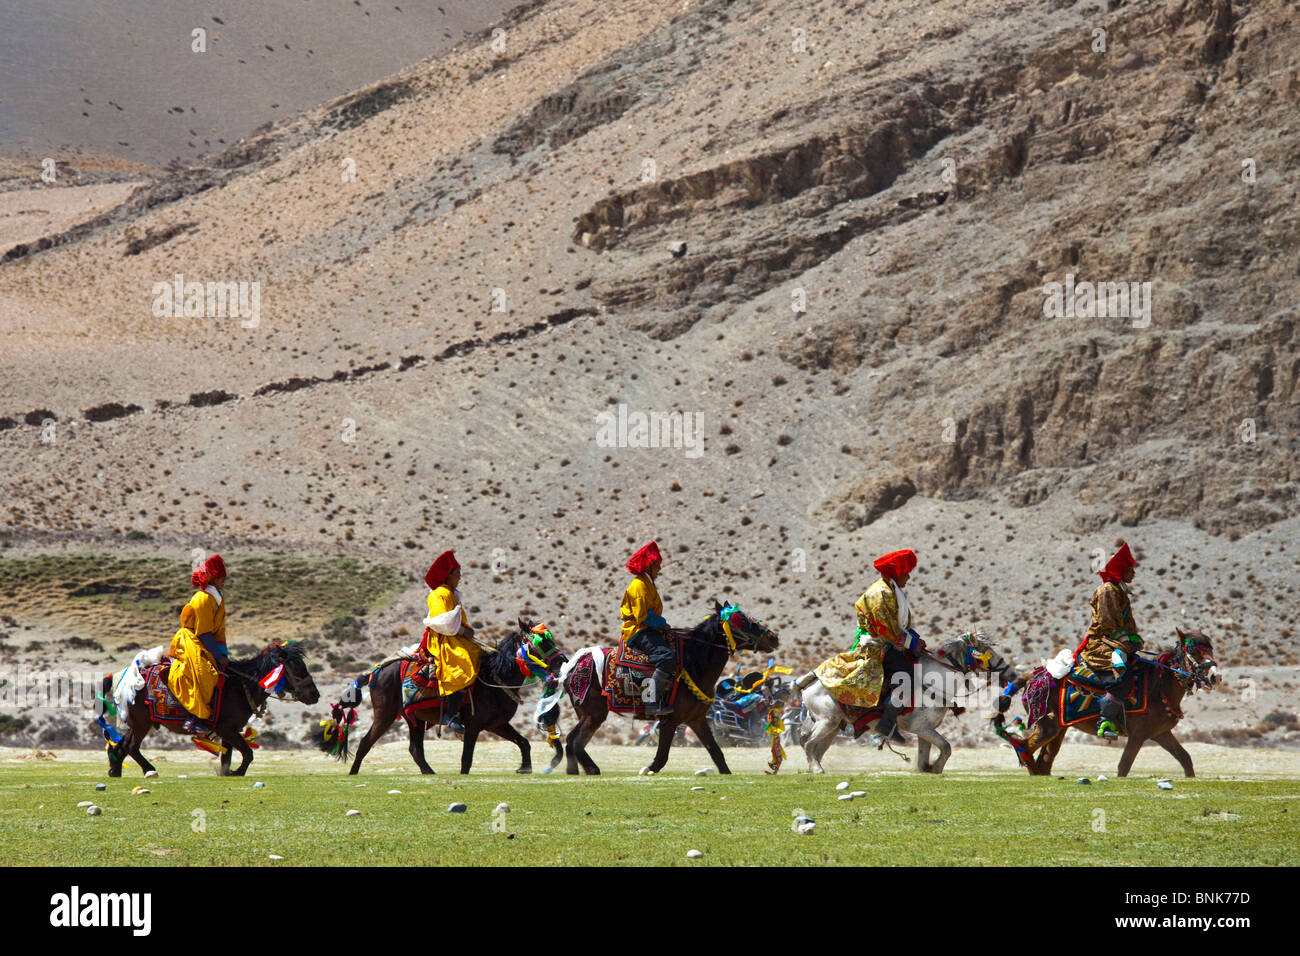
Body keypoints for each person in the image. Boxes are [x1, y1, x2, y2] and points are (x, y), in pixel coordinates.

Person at [853, 549, 926, 746]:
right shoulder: (882, 594)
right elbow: (885, 629)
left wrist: (916, 640)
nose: (909, 577)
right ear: (898, 572)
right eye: (906, 573)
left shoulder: (891, 589)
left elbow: (899, 625)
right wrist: (912, 643)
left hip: (892, 643)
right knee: (907, 678)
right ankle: (886, 723)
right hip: (880, 646)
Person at [1080, 541, 1143, 740]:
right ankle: (1104, 722)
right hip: (1102, 644)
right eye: (1130, 569)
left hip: (1117, 642)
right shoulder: (1107, 590)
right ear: (1121, 570)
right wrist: (1126, 640)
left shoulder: (1118, 590)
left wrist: (1134, 638)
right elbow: (1109, 622)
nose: (1133, 573)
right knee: (1121, 678)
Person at [420, 550, 481, 735]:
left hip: (456, 637)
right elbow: (441, 622)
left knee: (481, 653)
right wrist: (463, 630)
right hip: (442, 639)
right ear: (448, 575)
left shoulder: (452, 594)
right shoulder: (439, 594)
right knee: (461, 662)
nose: (460, 577)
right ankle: (451, 714)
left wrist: (466, 629)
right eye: (457, 573)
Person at [168, 554, 229, 736]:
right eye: (220, 578)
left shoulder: (217, 598)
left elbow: (219, 631)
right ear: (213, 578)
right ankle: (194, 718)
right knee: (204, 674)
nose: (223, 581)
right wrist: (218, 657)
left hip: (206, 642)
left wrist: (224, 655)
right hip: (192, 640)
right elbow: (203, 632)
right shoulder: (203, 599)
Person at [620, 541, 674, 716]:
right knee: (666, 657)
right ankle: (650, 701)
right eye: (658, 566)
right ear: (650, 566)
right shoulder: (640, 586)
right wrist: (662, 624)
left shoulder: (647, 583)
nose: (660, 569)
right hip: (639, 630)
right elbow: (642, 616)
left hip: (648, 629)